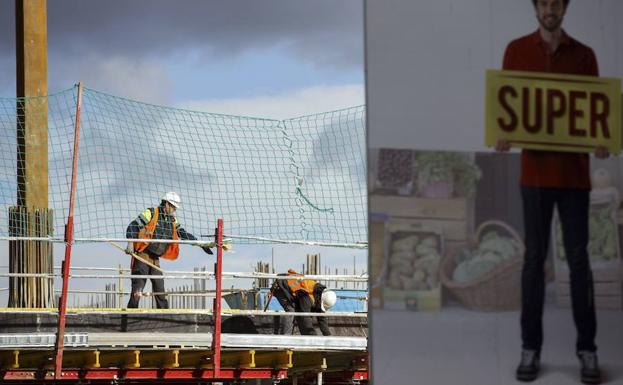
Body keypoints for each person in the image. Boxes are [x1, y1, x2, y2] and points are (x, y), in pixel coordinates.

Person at [496, 1, 609, 383]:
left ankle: (588, 350)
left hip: (575, 176)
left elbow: (596, 113)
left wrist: (601, 139)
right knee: (533, 263)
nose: (549, 9)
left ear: (564, 8)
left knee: (579, 263)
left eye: (555, 3)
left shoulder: (585, 56)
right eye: (543, 2)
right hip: (535, 175)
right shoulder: (516, 50)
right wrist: (503, 133)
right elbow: (507, 107)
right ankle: (530, 347)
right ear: (536, 8)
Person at [125, 192, 213, 309]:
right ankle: (131, 313)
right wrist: (130, 242)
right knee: (138, 287)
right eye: (173, 207)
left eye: (175, 208)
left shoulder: (172, 220)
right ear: (166, 204)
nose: (174, 210)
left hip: (155, 258)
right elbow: (133, 225)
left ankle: (164, 312)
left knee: (159, 286)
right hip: (143, 255)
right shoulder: (151, 213)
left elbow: (182, 233)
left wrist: (199, 243)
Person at [270, 269, 337, 336]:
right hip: (281, 287)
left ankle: (304, 339)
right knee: (291, 311)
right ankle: (285, 340)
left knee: (300, 312)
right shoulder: (306, 296)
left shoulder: (319, 294)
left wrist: (328, 335)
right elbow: (305, 319)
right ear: (321, 299)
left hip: (292, 292)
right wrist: (312, 337)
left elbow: (321, 317)